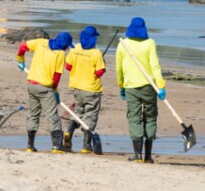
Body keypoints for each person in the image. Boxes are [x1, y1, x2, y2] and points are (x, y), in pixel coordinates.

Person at [116, 17, 167, 163]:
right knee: (150, 118)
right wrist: (161, 86)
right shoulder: (150, 43)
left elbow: (119, 69)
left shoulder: (123, 44)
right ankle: (148, 156)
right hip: (149, 86)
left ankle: (138, 155)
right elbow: (155, 67)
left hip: (131, 86)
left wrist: (121, 86)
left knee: (134, 118)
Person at [17, 31, 73, 153]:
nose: (67, 48)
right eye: (67, 45)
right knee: (52, 116)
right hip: (45, 88)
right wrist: (55, 91)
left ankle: (30, 146)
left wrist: (20, 59)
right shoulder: (60, 54)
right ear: (65, 45)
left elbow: (22, 47)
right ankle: (56, 147)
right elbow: (56, 76)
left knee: (33, 114)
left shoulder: (41, 42)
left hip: (31, 84)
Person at [63, 26, 106, 153]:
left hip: (77, 87)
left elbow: (68, 66)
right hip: (91, 88)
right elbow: (99, 72)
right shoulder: (96, 53)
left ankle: (69, 132)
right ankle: (86, 145)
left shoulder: (75, 49)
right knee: (90, 116)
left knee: (79, 112)